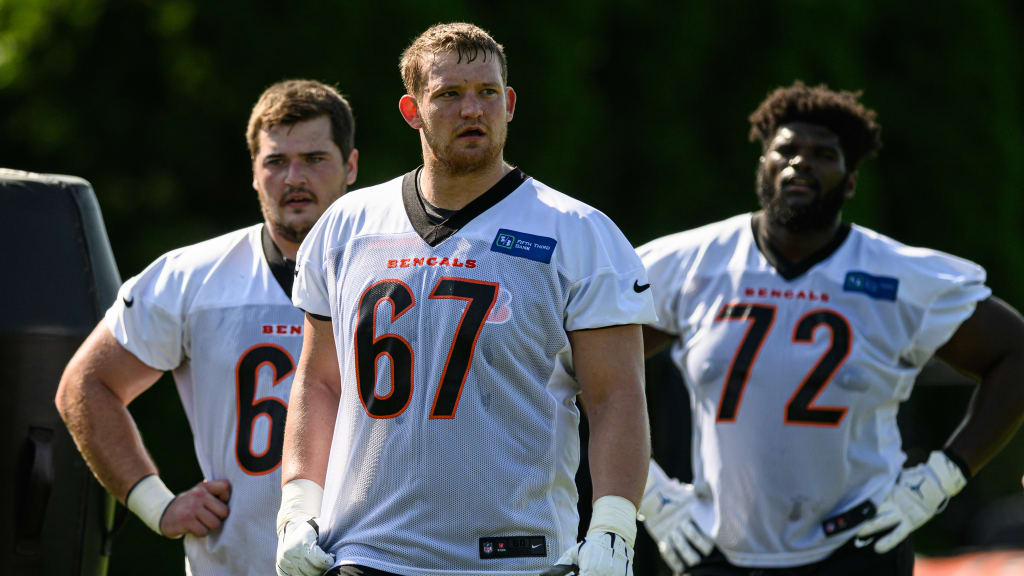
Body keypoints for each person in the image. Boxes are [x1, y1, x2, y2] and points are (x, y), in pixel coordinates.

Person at [275, 22, 655, 576]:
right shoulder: (347, 226)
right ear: (412, 110)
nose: (472, 110)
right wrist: (296, 510)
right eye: (449, 95)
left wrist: (614, 526)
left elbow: (615, 396)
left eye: (487, 93)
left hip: (516, 556)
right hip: (364, 551)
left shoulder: (579, 233)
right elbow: (319, 381)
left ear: (511, 103)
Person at [634, 81, 1024, 575]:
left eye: (823, 154)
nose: (801, 163)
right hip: (719, 546)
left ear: (850, 179)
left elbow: (1015, 353)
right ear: (763, 167)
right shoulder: (689, 263)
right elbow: (581, 365)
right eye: (787, 150)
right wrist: (647, 492)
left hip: (857, 547)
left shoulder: (899, 276)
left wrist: (941, 478)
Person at [56, 79, 359, 575]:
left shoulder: (395, 273)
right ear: (254, 174)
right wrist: (157, 504)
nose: (294, 177)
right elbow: (85, 385)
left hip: (368, 560)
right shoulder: (193, 276)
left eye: (315, 159)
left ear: (350, 166)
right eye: (276, 161)